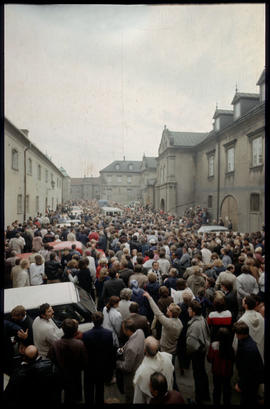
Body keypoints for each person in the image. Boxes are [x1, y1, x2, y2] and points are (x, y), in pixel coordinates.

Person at [47, 318, 88, 404]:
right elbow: (84, 361)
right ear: (75, 330)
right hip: (75, 374)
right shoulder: (79, 344)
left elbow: (50, 359)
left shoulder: (56, 344)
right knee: (72, 395)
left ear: (63, 329)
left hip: (60, 373)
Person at [82, 311, 114, 405]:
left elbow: (85, 351)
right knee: (100, 388)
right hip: (102, 366)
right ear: (102, 320)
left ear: (92, 321)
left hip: (89, 366)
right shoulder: (108, 334)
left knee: (89, 389)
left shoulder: (86, 335)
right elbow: (110, 352)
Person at [133, 336, 174, 404]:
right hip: (167, 397)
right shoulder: (167, 358)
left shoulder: (141, 372)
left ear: (145, 350)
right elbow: (172, 379)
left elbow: (138, 398)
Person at [234, 321, 264, 406]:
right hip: (251, 379)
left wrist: (240, 385)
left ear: (242, 334)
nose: (236, 335)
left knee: (247, 400)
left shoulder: (248, 349)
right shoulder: (245, 340)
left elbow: (247, 371)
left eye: (237, 334)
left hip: (250, 381)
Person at [186, 300, 210, 404]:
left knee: (198, 375)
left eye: (189, 309)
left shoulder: (195, 325)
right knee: (202, 373)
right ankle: (206, 395)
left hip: (197, 352)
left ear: (194, 312)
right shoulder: (202, 319)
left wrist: (188, 352)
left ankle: (198, 399)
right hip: (202, 349)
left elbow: (191, 343)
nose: (188, 310)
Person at [116, 318, 145, 403]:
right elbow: (130, 341)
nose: (122, 330)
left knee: (130, 396)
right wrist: (123, 349)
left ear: (128, 330)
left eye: (123, 329)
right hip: (140, 364)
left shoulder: (131, 348)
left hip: (132, 375)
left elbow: (127, 367)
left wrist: (117, 363)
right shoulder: (140, 332)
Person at [207, 327, 235, 405]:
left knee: (217, 389)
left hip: (216, 371)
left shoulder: (213, 345)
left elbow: (209, 358)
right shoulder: (231, 347)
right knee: (227, 389)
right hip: (227, 372)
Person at [235, 295, 264, 362]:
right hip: (260, 348)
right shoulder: (260, 316)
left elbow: (237, 339)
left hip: (247, 352)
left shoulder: (242, 320)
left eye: (243, 301)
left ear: (246, 305)